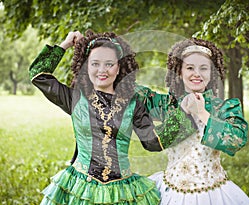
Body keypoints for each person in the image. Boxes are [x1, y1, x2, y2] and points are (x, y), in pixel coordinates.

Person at [28, 30, 196, 205]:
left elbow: (153, 142)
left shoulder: (134, 104)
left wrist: (184, 114)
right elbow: (38, 74)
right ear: (86, 66)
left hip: (122, 191)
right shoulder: (74, 98)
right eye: (95, 64)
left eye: (109, 64)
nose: (102, 70)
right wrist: (66, 43)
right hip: (80, 189)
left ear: (119, 68)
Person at [136, 38, 249, 204]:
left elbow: (236, 141)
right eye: (190, 68)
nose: (196, 74)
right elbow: (131, 91)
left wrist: (202, 113)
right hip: (171, 192)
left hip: (213, 193)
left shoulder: (223, 108)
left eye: (203, 68)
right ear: (179, 71)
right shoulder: (167, 105)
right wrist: (88, 54)